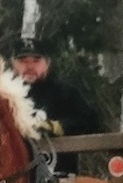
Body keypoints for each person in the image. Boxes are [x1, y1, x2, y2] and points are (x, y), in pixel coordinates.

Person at [11, 37, 104, 175]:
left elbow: (92, 122)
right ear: (13, 64)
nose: (29, 67)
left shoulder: (64, 93)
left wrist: (59, 127)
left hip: (60, 178)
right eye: (23, 61)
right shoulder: (5, 96)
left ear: (47, 63)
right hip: (14, 180)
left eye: (36, 61)